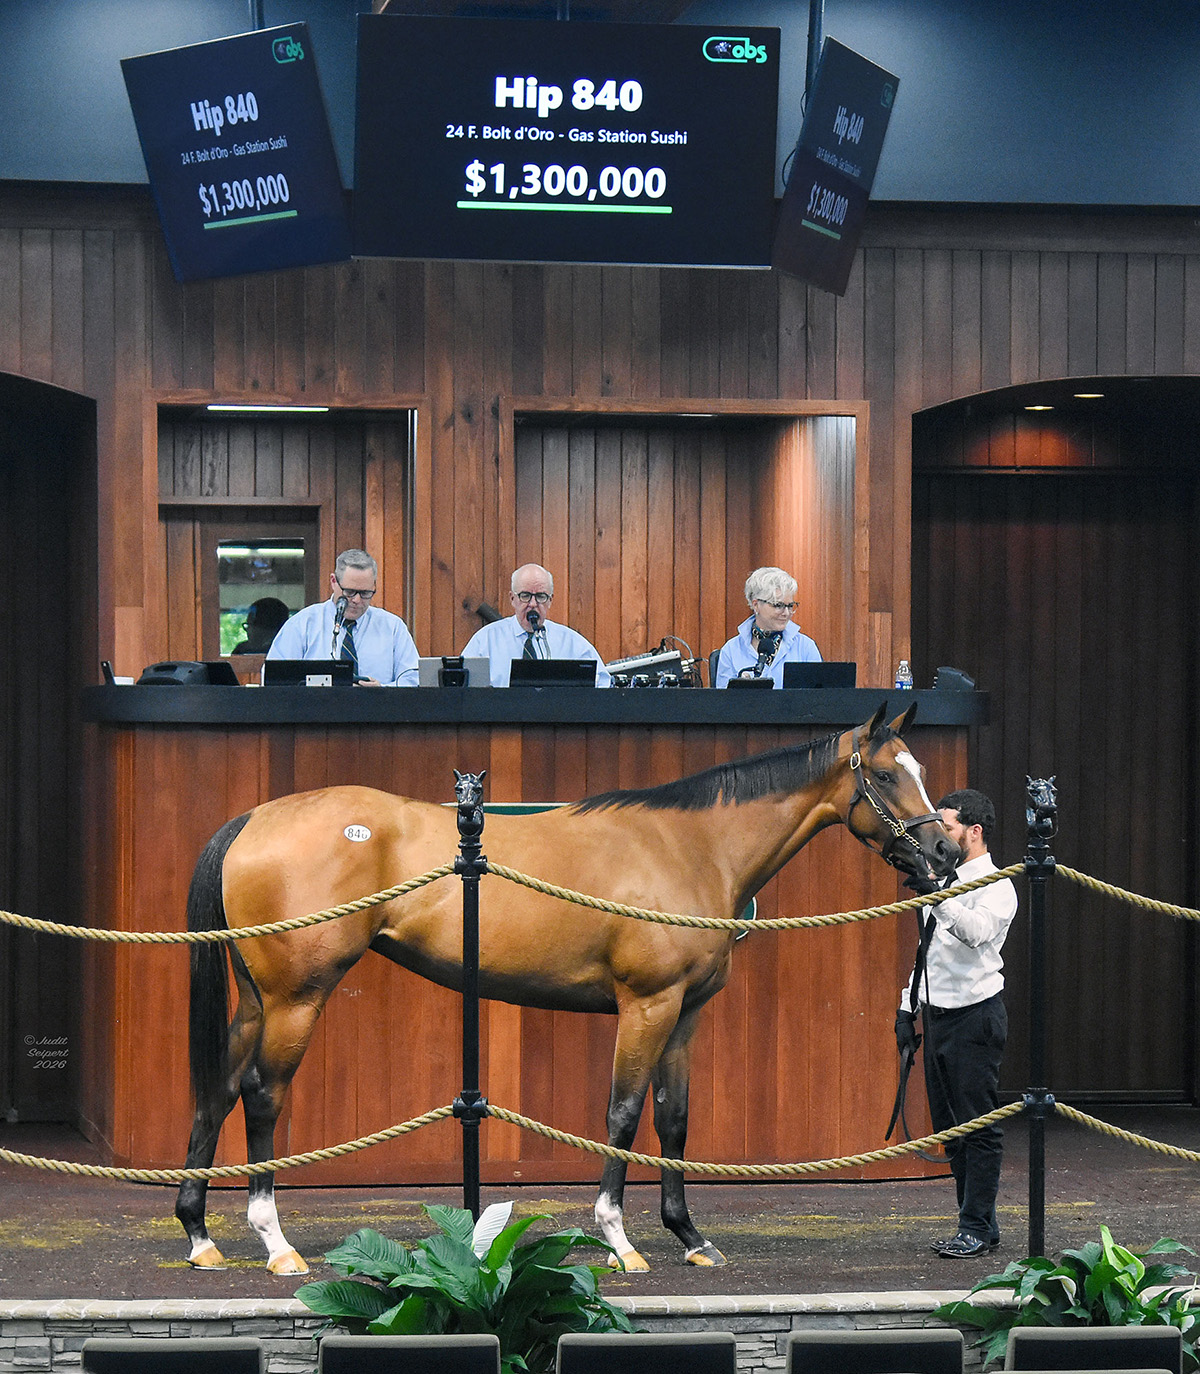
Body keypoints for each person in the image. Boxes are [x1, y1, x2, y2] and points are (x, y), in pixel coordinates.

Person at [895, 788, 1019, 1259]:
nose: (940, 835)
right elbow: (927, 952)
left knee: (980, 1127)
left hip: (976, 1016)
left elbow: (974, 935)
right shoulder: (942, 880)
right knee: (951, 1129)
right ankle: (980, 1225)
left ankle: (974, 1226)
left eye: (946, 827)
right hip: (939, 1016)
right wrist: (908, 1007)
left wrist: (938, 897)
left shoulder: (997, 884)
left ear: (974, 831)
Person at [265, 549, 419, 687]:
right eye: (350, 592)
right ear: (333, 582)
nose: (357, 600)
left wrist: (382, 690)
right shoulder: (303, 624)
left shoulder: (392, 627)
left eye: (365, 593)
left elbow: (414, 679)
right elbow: (273, 676)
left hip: (376, 714)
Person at [461, 563, 611, 688]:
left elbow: (604, 685)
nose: (533, 604)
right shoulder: (486, 640)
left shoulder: (572, 643)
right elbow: (461, 684)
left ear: (550, 600)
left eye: (540, 597)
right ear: (512, 598)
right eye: (525, 596)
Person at [713, 567, 821, 688]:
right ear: (756, 605)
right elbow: (723, 704)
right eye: (778, 605)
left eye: (790, 606)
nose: (786, 613)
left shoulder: (806, 647)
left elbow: (818, 700)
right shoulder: (731, 650)